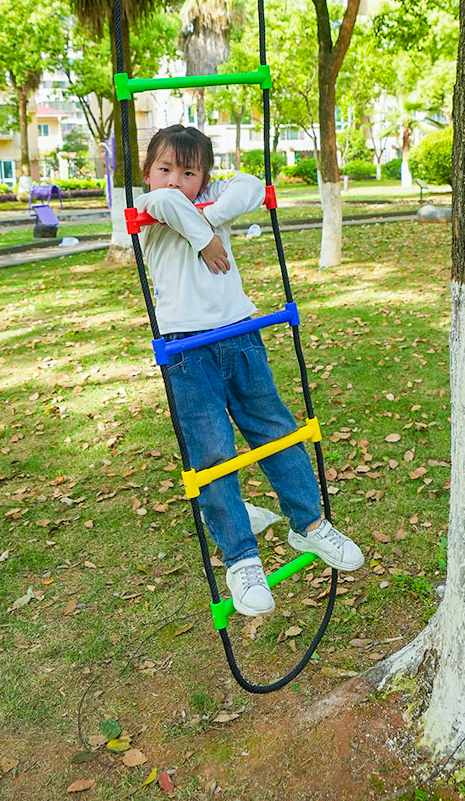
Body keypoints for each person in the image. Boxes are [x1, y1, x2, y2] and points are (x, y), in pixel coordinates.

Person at [135, 125, 364, 616]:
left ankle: (309, 525)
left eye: (189, 172)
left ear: (205, 177)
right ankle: (241, 560)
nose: (176, 181)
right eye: (165, 169)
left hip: (240, 336)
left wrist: (211, 214)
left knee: (276, 429)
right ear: (147, 171)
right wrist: (205, 237)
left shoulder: (206, 198)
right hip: (187, 351)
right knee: (213, 454)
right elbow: (172, 206)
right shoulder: (147, 207)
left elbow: (252, 186)